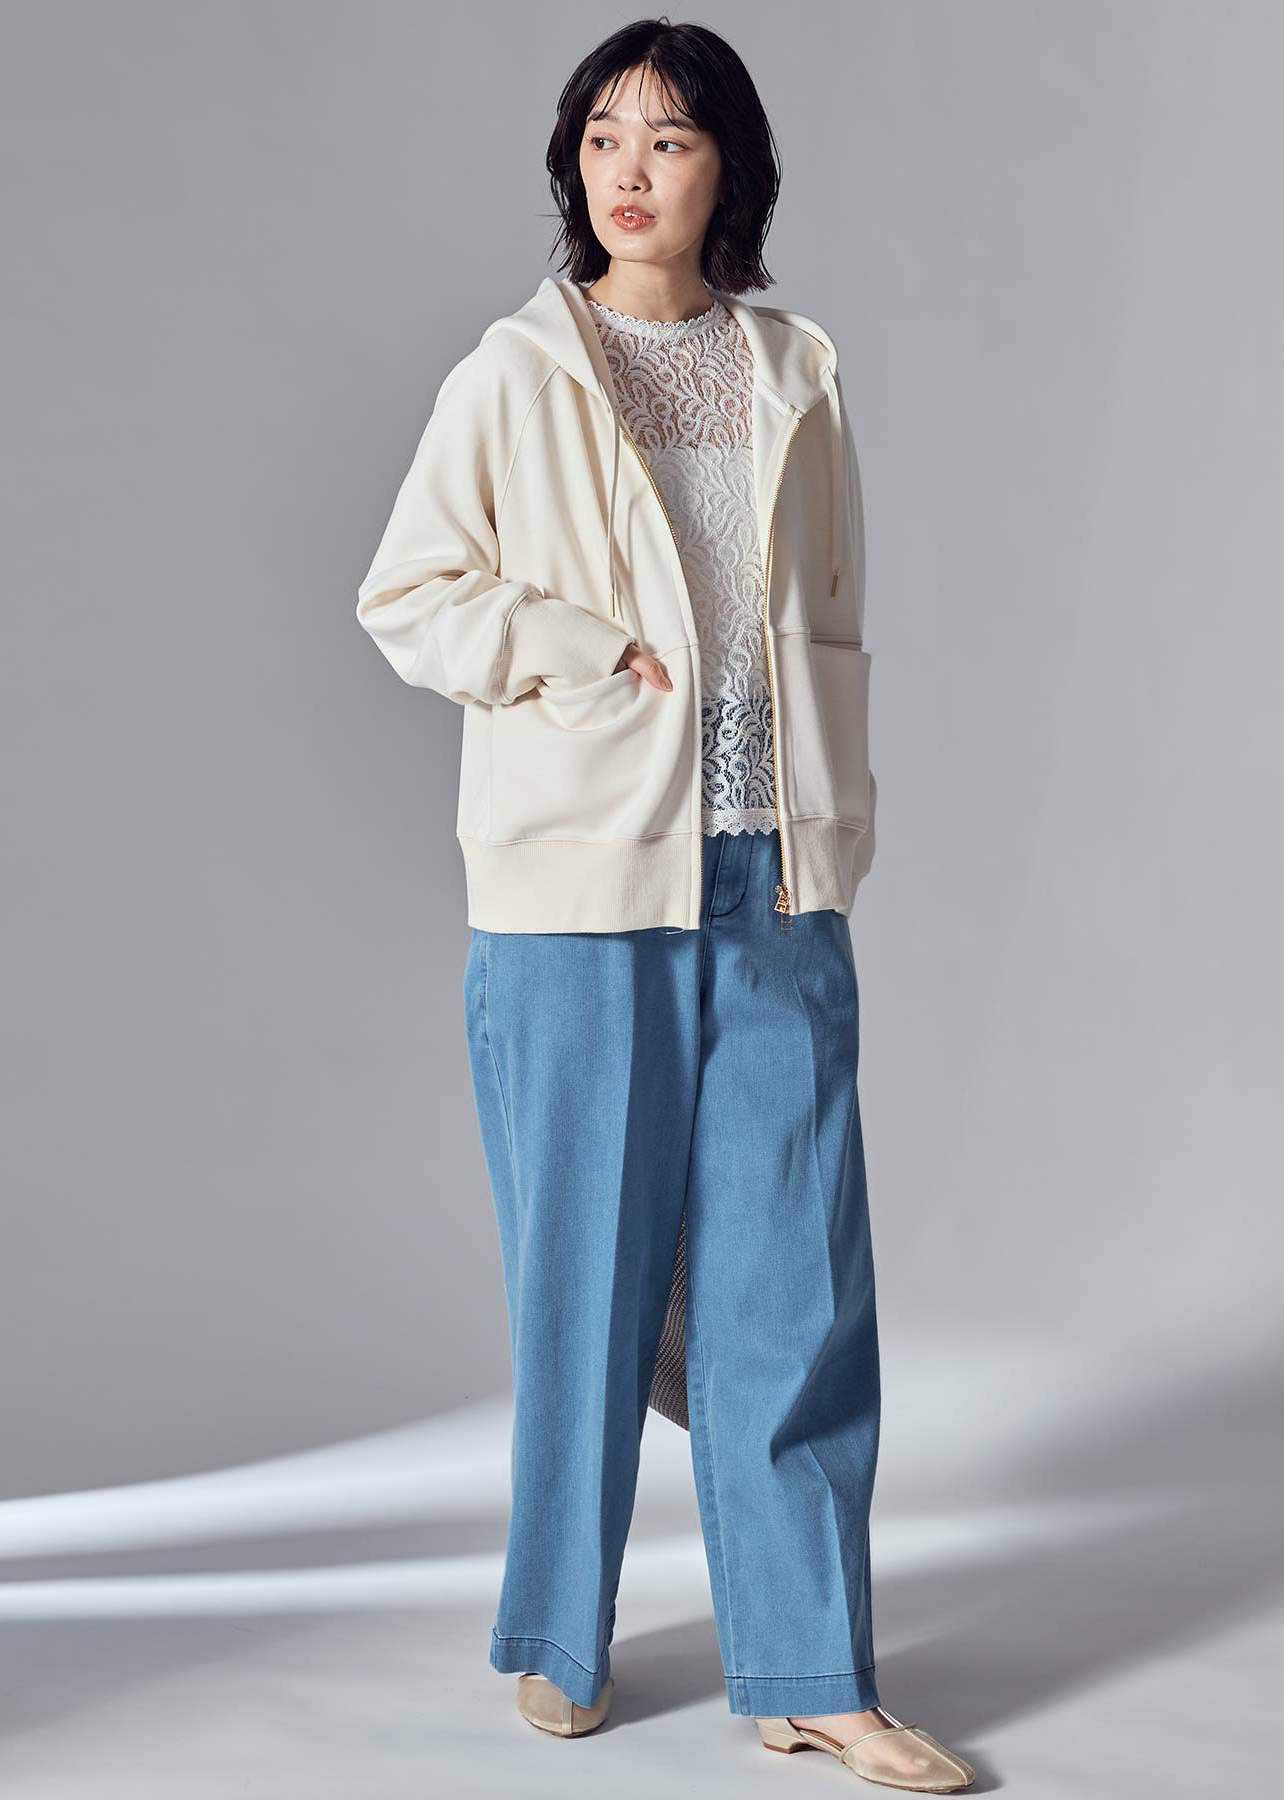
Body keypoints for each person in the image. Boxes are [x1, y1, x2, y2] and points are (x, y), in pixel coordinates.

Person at [354, 17, 974, 1793]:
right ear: (575, 164)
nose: (632, 171)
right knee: (587, 1281)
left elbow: (825, 615)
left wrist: (830, 804)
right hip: (577, 886)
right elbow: (409, 593)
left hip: (770, 869)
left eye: (672, 139)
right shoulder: (514, 373)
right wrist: (564, 647)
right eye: (605, 136)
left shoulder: (796, 370)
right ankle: (557, 1635)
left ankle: (813, 1671)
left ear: (730, 173)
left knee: (799, 1283)